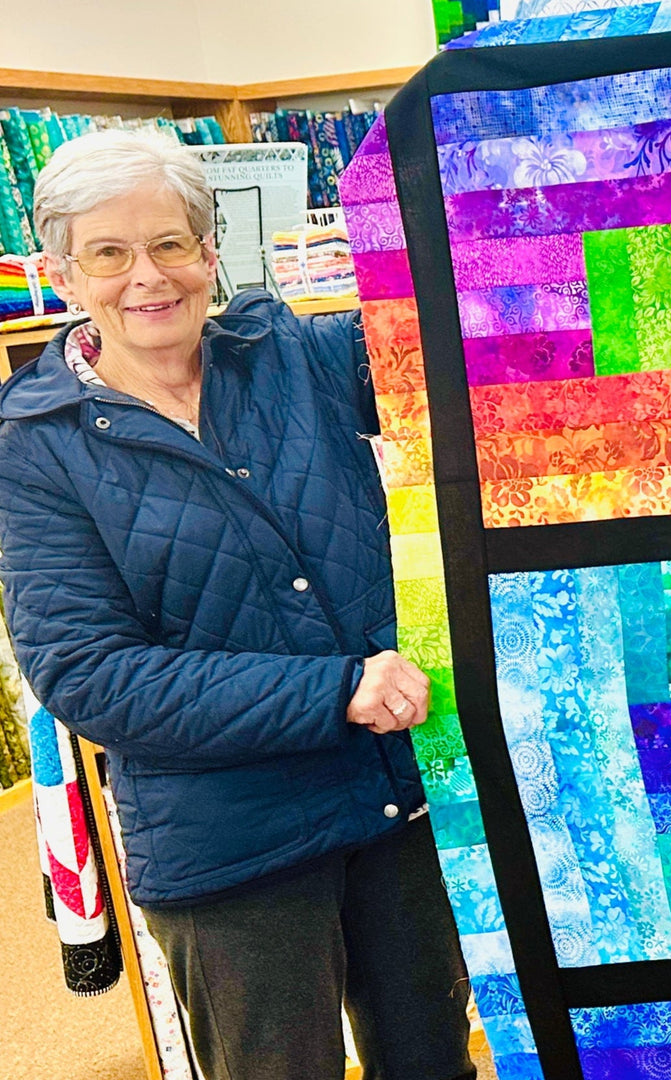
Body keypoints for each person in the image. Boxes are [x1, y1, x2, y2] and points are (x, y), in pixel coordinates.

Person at [0, 130, 475, 1080]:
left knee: (433, 1062)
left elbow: (471, 346)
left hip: (395, 809)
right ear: (61, 272)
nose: (148, 277)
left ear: (211, 250)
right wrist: (334, 692)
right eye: (109, 252)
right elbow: (91, 677)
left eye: (171, 243)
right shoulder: (38, 449)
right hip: (233, 847)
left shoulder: (293, 356)